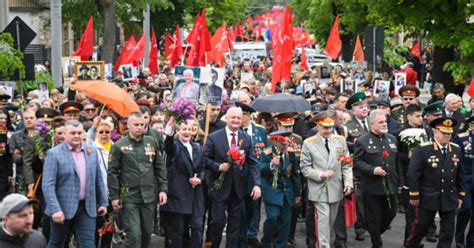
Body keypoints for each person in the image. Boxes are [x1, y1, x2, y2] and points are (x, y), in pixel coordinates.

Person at [42, 120, 108, 247]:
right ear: (65, 134)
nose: (76, 136)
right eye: (73, 133)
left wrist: (103, 202)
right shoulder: (54, 154)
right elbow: (47, 185)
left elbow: (98, 178)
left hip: (86, 207)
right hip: (62, 208)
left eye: (79, 132)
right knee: (57, 242)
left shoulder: (91, 151)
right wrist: (55, 209)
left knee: (88, 244)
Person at [203, 107, 261, 248]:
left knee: (235, 225)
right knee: (217, 222)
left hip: (237, 188)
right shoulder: (214, 137)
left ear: (242, 120)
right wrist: (218, 166)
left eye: (238, 118)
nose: (236, 120)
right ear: (227, 119)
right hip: (219, 187)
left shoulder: (246, 139)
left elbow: (253, 163)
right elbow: (204, 159)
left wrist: (257, 184)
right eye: (233, 117)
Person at [108, 112, 168, 248]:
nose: (139, 127)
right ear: (128, 125)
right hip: (129, 196)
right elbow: (112, 173)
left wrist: (163, 189)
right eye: (136, 124)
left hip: (149, 195)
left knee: (147, 233)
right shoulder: (118, 146)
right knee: (134, 234)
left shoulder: (151, 142)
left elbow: (159, 167)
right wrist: (114, 196)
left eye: (142, 125)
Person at [406, 117, 464, 248]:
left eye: (449, 133)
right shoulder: (423, 149)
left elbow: (460, 174)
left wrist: (461, 194)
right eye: (444, 132)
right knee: (420, 227)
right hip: (428, 196)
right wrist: (414, 194)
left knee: (448, 231)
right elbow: (414, 173)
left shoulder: (456, 149)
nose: (447, 136)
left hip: (449, 196)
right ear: (435, 132)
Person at [300, 111, 353, 248]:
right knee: (322, 225)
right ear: (317, 126)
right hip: (319, 190)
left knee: (329, 224)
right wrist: (320, 174)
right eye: (325, 127)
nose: (328, 130)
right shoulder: (308, 143)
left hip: (336, 189)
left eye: (330, 127)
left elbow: (346, 164)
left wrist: (348, 182)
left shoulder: (340, 140)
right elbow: (305, 168)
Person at [353, 110, 400, 248]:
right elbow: (357, 162)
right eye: (380, 122)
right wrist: (372, 170)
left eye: (385, 121)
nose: (384, 124)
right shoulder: (362, 140)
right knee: (373, 217)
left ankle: (375, 232)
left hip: (390, 185)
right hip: (372, 187)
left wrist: (400, 182)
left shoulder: (392, 139)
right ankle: (376, 242)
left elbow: (396, 163)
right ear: (372, 124)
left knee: (391, 213)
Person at [161, 117, 205, 248]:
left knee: (197, 229)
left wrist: (200, 179)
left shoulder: (197, 147)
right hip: (178, 196)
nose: (187, 132)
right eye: (183, 129)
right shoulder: (175, 147)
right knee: (178, 233)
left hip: (195, 196)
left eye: (189, 129)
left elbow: (203, 168)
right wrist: (170, 129)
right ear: (178, 131)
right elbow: (168, 147)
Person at [259, 130, 301, 248]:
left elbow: (294, 174)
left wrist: (297, 194)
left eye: (287, 142)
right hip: (272, 191)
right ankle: (266, 242)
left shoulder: (290, 153)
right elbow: (260, 170)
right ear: (276, 142)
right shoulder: (266, 153)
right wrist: (272, 165)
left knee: (285, 221)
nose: (286, 145)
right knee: (272, 218)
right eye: (283, 142)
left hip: (287, 192)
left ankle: (280, 245)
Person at [236, 102, 268, 248]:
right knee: (240, 207)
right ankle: (241, 234)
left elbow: (266, 151)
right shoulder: (234, 131)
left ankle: (252, 234)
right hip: (239, 174)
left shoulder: (260, 131)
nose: (237, 119)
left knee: (255, 206)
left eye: (239, 115)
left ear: (247, 116)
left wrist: (261, 167)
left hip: (256, 173)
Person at [393, 104, 424, 245]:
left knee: (421, 215)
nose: (421, 118)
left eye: (421, 115)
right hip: (406, 177)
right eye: (417, 116)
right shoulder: (399, 133)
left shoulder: (425, 131)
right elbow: (395, 156)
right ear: (409, 116)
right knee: (411, 214)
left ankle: (414, 240)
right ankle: (410, 242)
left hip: (423, 178)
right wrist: (409, 155)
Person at [344, 92, 369, 241]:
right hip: (357, 168)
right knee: (359, 200)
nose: (364, 109)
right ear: (353, 111)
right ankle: (360, 227)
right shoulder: (348, 127)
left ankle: (370, 224)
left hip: (372, 167)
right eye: (360, 107)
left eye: (365, 106)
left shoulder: (372, 122)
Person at [454, 115, 474, 248]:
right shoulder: (462, 138)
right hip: (465, 181)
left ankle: (471, 240)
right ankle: (459, 238)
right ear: (471, 125)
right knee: (465, 209)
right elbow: (455, 160)